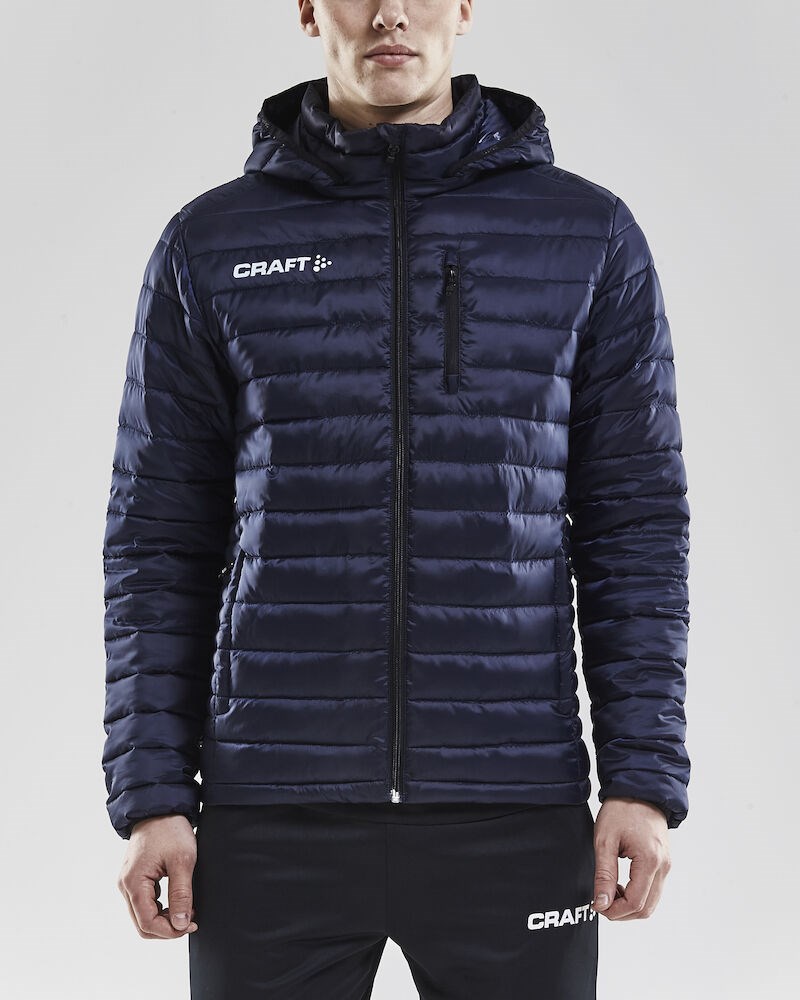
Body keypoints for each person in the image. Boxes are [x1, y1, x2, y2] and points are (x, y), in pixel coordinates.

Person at [102, 2, 690, 996]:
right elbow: (157, 538)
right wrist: (152, 792)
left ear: (465, 8)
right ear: (305, 9)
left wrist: (641, 778)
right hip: (270, 813)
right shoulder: (212, 242)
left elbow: (635, 527)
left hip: (512, 805)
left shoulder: (584, 234)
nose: (389, 13)